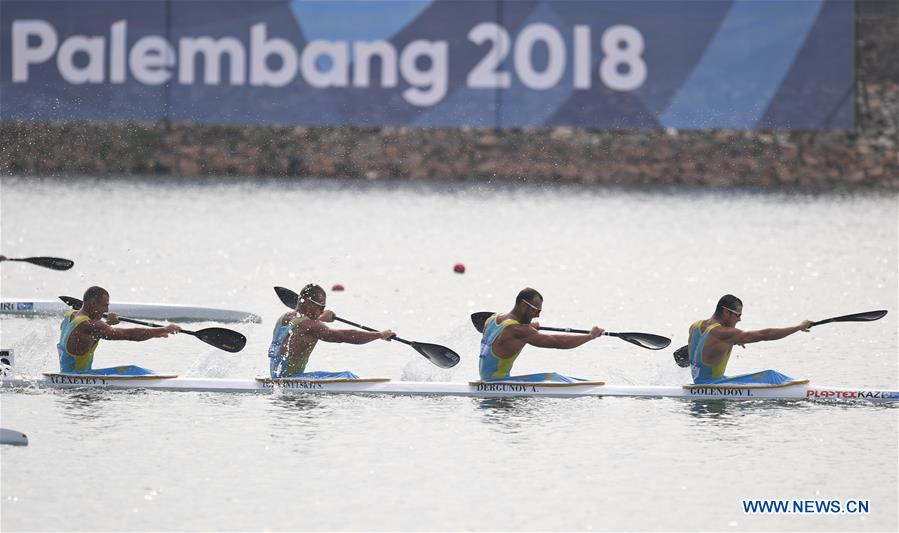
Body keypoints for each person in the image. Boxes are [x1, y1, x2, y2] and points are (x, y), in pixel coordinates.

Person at [268, 283, 394, 378]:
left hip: (276, 379)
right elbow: (343, 336)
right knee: (347, 377)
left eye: (324, 308)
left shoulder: (284, 318)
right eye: (321, 306)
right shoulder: (312, 326)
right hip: (291, 381)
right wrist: (379, 335)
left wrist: (320, 317)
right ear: (307, 303)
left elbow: (304, 327)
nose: (322, 310)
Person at [478, 287, 604, 381]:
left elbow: (503, 338)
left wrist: (528, 327)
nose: (538, 315)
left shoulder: (492, 319)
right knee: (557, 379)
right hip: (498, 383)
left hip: (485, 381)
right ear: (523, 305)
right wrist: (590, 336)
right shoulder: (518, 330)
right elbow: (558, 342)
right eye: (535, 310)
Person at [687, 294, 813, 384]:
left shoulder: (695, 326)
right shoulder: (723, 333)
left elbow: (704, 350)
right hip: (713, 385)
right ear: (726, 312)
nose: (739, 319)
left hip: (698, 384)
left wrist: (733, 340)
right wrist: (798, 327)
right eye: (738, 314)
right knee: (770, 376)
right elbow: (766, 334)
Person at [58, 286, 180, 373]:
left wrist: (153, 333)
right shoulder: (90, 325)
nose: (106, 310)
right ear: (92, 304)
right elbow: (130, 335)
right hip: (79, 378)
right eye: (104, 305)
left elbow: (85, 339)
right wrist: (164, 328)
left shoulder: (70, 315)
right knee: (135, 371)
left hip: (68, 375)